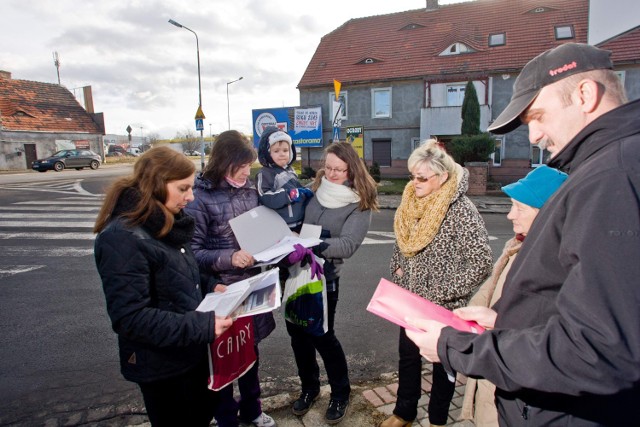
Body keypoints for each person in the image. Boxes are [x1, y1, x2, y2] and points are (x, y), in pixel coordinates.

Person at [405, 42, 640, 426]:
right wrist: (509, 321)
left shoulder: (613, 176)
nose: (533, 136)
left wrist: (457, 346)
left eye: (539, 115)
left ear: (584, 94)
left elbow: (599, 350)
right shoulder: (607, 167)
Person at [93, 147, 233, 427]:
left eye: (191, 188)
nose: (190, 197)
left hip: (189, 354)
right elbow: (131, 318)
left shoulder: (166, 221)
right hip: (162, 367)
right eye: (183, 188)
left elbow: (178, 273)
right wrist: (201, 327)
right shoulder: (122, 238)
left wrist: (210, 285)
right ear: (156, 183)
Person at [380, 140, 493, 427]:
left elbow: (480, 263)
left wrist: (438, 293)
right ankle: (404, 412)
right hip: (410, 300)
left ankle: (438, 419)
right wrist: (397, 269)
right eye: (412, 175)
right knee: (407, 357)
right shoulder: (410, 201)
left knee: (443, 364)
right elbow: (402, 241)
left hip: (445, 306)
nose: (414, 182)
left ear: (442, 177)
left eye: (421, 177)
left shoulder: (460, 209)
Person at [457, 165, 568, 426]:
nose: (509, 215)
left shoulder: (551, 264)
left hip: (512, 387)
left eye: (520, 207)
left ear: (547, 214)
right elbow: (491, 291)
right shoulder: (519, 244)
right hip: (497, 366)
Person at [183, 130, 276, 427]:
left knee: (250, 353)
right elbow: (192, 252)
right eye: (242, 167)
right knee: (222, 358)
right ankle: (226, 418)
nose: (247, 172)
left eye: (250, 166)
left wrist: (273, 246)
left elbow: (259, 228)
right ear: (225, 162)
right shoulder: (200, 197)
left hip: (250, 284)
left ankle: (253, 409)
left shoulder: (250, 189)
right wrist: (229, 257)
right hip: (221, 287)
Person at [287, 142, 379, 425]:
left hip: (325, 278)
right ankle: (310, 389)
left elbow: (348, 244)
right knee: (297, 337)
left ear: (351, 169)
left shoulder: (358, 203)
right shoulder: (315, 190)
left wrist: (314, 244)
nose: (332, 173)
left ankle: (340, 393)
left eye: (339, 169)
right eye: (328, 167)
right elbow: (298, 221)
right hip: (295, 274)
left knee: (322, 337)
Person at [256, 126, 313, 232]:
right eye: (276, 151)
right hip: (281, 226)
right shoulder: (265, 173)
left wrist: (306, 191)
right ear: (268, 153)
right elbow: (265, 197)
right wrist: (289, 195)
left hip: (299, 222)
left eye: (285, 150)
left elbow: (296, 190)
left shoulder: (290, 170)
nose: (282, 154)